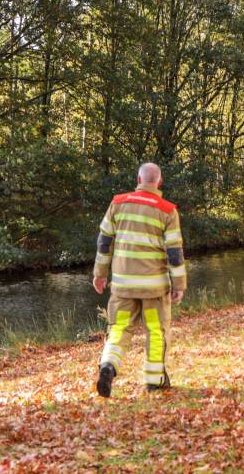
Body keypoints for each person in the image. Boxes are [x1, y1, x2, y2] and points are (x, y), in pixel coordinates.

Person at [92, 162, 187, 396]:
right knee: (156, 330)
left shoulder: (118, 203)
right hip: (153, 289)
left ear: (138, 179)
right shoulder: (167, 210)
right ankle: (155, 380)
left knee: (119, 329)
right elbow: (174, 252)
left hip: (123, 286)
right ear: (159, 182)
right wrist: (179, 285)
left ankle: (108, 366)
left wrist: (100, 274)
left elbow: (104, 242)